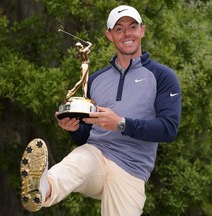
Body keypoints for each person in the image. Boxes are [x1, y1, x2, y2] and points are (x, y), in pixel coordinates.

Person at [20, 5, 181, 216]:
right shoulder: (96, 79)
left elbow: (168, 129)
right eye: (119, 29)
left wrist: (121, 123)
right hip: (96, 154)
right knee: (75, 163)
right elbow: (86, 136)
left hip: (131, 169)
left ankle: (44, 186)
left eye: (132, 27)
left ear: (142, 30)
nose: (127, 34)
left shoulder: (162, 76)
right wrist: (73, 127)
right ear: (109, 35)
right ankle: (43, 188)